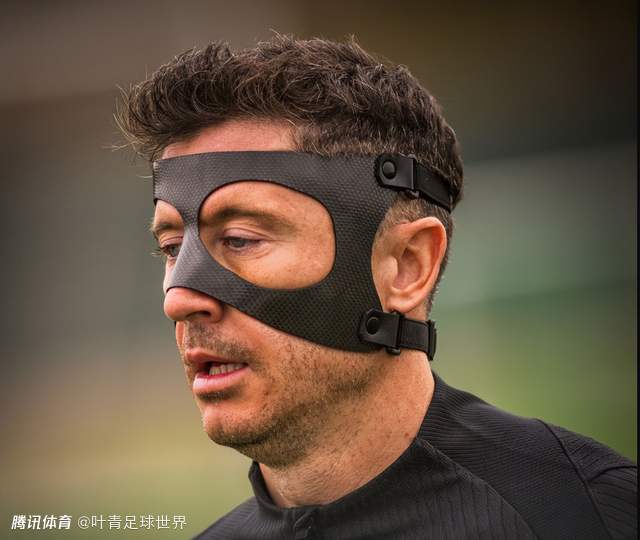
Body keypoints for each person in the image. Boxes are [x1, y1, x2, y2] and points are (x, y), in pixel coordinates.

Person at [117, 35, 637, 539]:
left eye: (241, 239)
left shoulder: (591, 515)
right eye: (172, 248)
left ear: (407, 265)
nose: (179, 299)